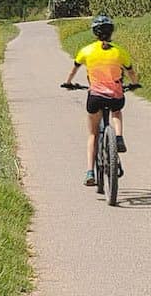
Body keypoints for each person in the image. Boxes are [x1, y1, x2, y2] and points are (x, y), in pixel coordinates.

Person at [62, 15, 139, 186]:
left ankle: (90, 172)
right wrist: (134, 84)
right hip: (115, 95)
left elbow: (73, 70)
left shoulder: (86, 51)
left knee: (93, 134)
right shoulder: (119, 51)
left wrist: (68, 83)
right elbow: (131, 72)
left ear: (95, 33)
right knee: (117, 112)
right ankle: (118, 137)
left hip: (95, 96)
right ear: (111, 32)